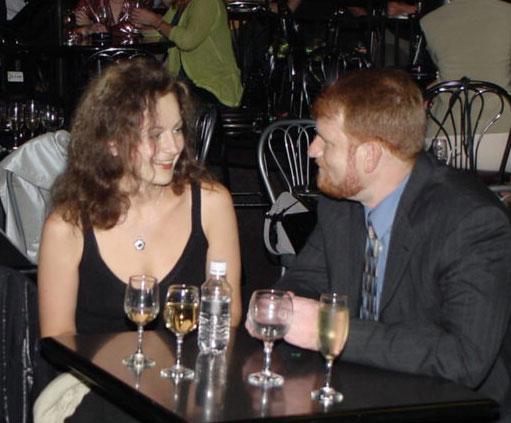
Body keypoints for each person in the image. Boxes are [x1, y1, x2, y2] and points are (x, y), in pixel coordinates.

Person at [246, 68, 511, 419]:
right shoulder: (341, 204)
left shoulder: (470, 221)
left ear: (370, 155)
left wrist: (334, 331)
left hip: (452, 407)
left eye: (326, 141)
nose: (312, 150)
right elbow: (308, 278)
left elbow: (463, 359)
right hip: (364, 392)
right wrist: (281, 306)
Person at [35, 57, 241, 421]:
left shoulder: (211, 203)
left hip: (187, 380)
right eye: (155, 134)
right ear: (112, 142)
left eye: (177, 129)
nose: (173, 146)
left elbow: (228, 315)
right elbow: (59, 342)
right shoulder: (67, 226)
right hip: (96, 387)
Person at [420, 0, 511, 171]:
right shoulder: (507, 13)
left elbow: (448, 70)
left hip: (446, 142)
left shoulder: (430, 20)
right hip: (504, 144)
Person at [131, 0, 243, 108]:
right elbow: (160, 32)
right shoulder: (180, 3)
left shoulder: (207, 2)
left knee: (158, 100)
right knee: (142, 93)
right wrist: (142, 25)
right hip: (185, 83)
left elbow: (187, 41)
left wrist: (156, 22)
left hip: (213, 86)